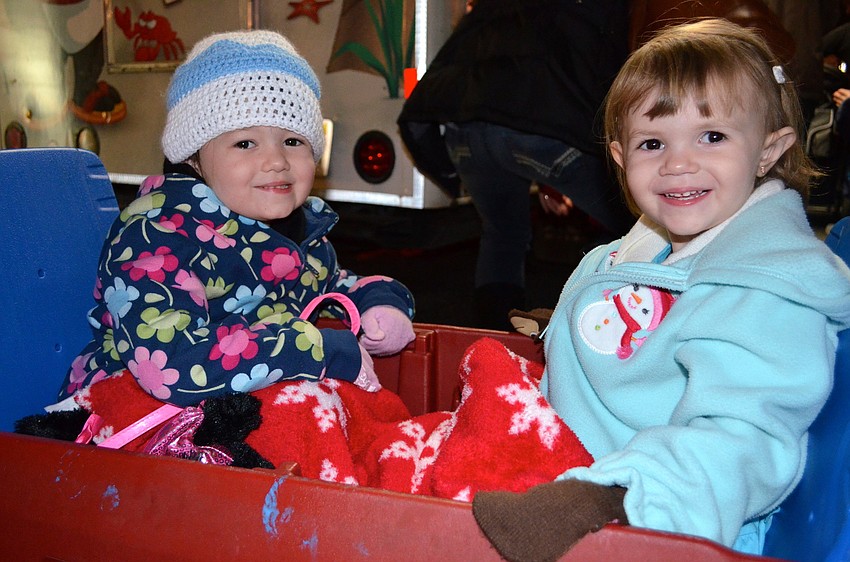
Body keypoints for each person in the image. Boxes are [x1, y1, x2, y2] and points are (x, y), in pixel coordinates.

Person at [471, 18, 850, 562]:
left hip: (663, 520)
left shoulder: (765, 290)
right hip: (574, 466)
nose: (677, 163)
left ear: (769, 151)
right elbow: (660, 317)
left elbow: (741, 440)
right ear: (622, 158)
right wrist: (573, 325)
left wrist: (614, 498)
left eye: (712, 136)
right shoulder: (653, 247)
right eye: (653, 142)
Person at [55, 30, 416, 407]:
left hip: (238, 405)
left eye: (293, 141)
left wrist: (381, 302)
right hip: (127, 412)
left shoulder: (300, 236)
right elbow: (172, 363)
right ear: (193, 158)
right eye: (245, 143)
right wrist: (316, 349)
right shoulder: (155, 235)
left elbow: (335, 284)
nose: (276, 161)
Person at [398, 0, 635, 330]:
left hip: (466, 126)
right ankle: (601, 323)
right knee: (639, 222)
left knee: (503, 233)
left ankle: (495, 339)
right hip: (539, 127)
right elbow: (598, 67)